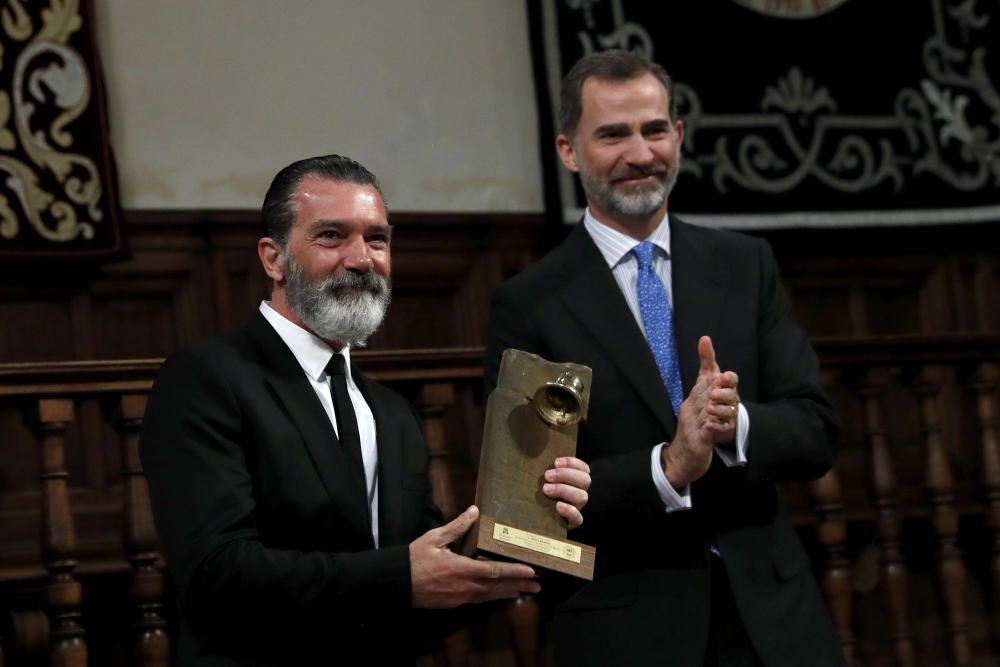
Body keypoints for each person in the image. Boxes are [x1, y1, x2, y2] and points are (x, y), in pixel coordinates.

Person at [140, 154, 591, 666]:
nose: (362, 258)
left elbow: (424, 592)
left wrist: (535, 527)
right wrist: (399, 575)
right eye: (332, 236)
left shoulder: (392, 413)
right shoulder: (206, 379)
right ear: (273, 258)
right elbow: (215, 575)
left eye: (377, 239)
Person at [485, 50, 844, 667]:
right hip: (631, 629)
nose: (640, 153)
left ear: (678, 136)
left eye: (654, 130)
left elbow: (817, 429)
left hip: (775, 622)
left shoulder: (745, 265)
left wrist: (734, 426)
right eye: (613, 135)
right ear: (569, 151)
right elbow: (528, 513)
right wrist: (668, 466)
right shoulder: (530, 304)